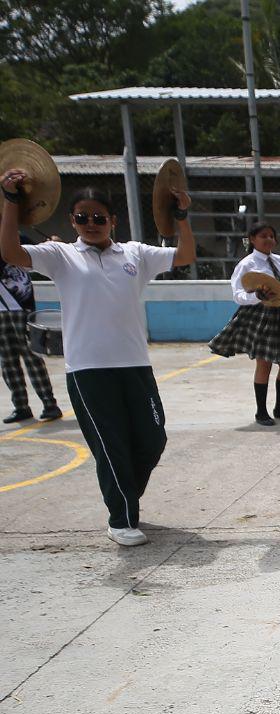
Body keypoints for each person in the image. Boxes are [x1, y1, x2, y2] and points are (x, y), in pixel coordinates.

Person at [0, 175, 194, 547]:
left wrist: (181, 216)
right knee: (111, 446)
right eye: (82, 217)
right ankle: (121, 519)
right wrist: (10, 200)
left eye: (99, 217)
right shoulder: (60, 255)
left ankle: (125, 496)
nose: (91, 224)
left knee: (153, 439)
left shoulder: (135, 254)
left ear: (113, 221)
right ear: (72, 221)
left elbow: (184, 255)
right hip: (88, 370)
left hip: (135, 365)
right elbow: (11, 253)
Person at [210, 222, 280, 426]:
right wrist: (256, 296)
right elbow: (238, 295)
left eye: (272, 236)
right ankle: (261, 412)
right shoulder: (246, 264)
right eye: (263, 236)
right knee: (264, 363)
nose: (269, 239)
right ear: (252, 239)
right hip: (260, 314)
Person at [0, 239, 61, 423]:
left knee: (31, 357)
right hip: (1, 310)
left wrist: (49, 243)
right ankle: (21, 406)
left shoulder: (12, 235)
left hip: (19, 306)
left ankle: (50, 404)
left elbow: (34, 253)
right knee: (7, 361)